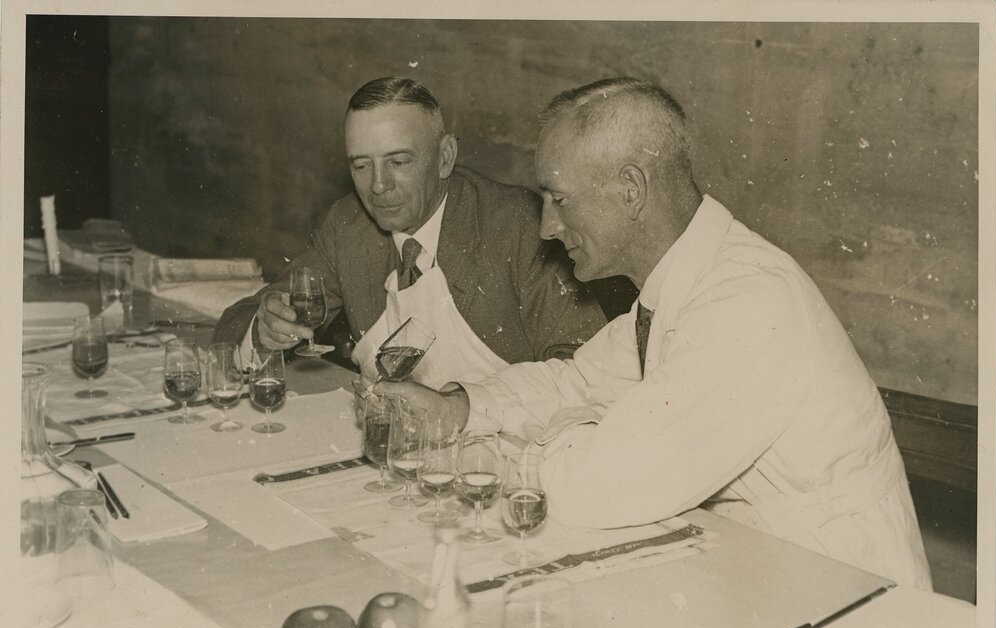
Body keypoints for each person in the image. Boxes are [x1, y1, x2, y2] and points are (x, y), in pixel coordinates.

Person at [380, 77, 933, 590]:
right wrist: (459, 409)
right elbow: (578, 382)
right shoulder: (682, 283)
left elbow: (605, 484)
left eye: (558, 199)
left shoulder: (747, 300)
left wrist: (501, 453)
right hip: (760, 568)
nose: (547, 227)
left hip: (842, 589)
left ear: (630, 189)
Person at [214, 77, 606, 389]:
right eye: (361, 166)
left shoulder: (517, 225)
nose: (378, 186)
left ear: (445, 157)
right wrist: (264, 331)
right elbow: (242, 317)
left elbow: (588, 369)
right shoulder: (348, 227)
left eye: (398, 161)